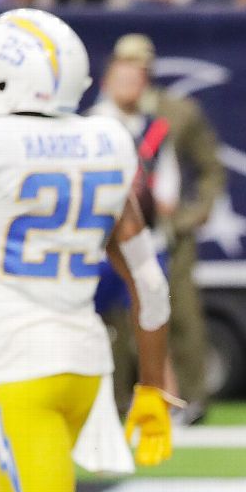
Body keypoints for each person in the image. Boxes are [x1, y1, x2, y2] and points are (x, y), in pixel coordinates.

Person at [0, 9, 177, 492]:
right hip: (84, 366)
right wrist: (151, 387)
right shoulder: (107, 139)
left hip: (11, 363)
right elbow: (149, 282)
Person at [89, 33, 225, 424]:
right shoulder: (92, 125)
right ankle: (110, 403)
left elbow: (192, 170)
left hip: (156, 233)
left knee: (173, 316)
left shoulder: (165, 118)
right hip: (105, 238)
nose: (132, 81)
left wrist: (187, 213)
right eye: (124, 73)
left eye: (138, 73)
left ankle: (186, 400)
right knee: (110, 324)